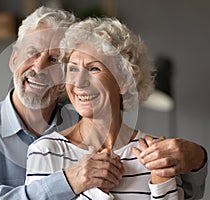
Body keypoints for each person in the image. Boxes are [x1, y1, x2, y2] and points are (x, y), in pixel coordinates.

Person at [0, 6, 207, 200]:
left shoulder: (88, 122)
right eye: (31, 53)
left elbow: (186, 192)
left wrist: (198, 158)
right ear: (13, 59)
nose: (40, 69)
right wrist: (70, 181)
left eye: (54, 61)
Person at [25, 17, 184, 199]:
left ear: (124, 81)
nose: (78, 82)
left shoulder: (156, 155)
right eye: (73, 69)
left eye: (94, 69)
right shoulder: (46, 151)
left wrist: (161, 183)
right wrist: (95, 190)